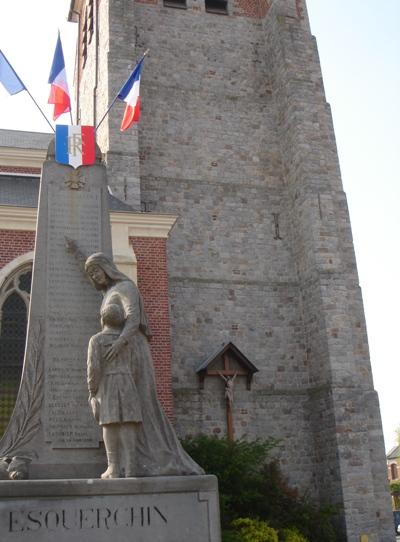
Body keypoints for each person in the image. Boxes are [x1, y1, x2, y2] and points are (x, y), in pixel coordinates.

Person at [84, 252, 203, 477]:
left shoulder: (126, 287)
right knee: (123, 411)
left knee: (141, 404)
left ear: (106, 267)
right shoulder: (108, 293)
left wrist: (120, 342)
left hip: (132, 348)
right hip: (116, 350)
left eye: (96, 270)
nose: (95, 276)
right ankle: (131, 462)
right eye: (91, 274)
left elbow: (133, 317)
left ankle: (149, 458)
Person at [87, 303, 142, 478]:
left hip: (108, 383)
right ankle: (131, 466)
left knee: (109, 423)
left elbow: (93, 369)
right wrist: (129, 380)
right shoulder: (129, 340)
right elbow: (136, 366)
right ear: (121, 321)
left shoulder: (96, 340)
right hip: (127, 382)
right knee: (128, 422)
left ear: (103, 319)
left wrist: (92, 391)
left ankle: (113, 468)